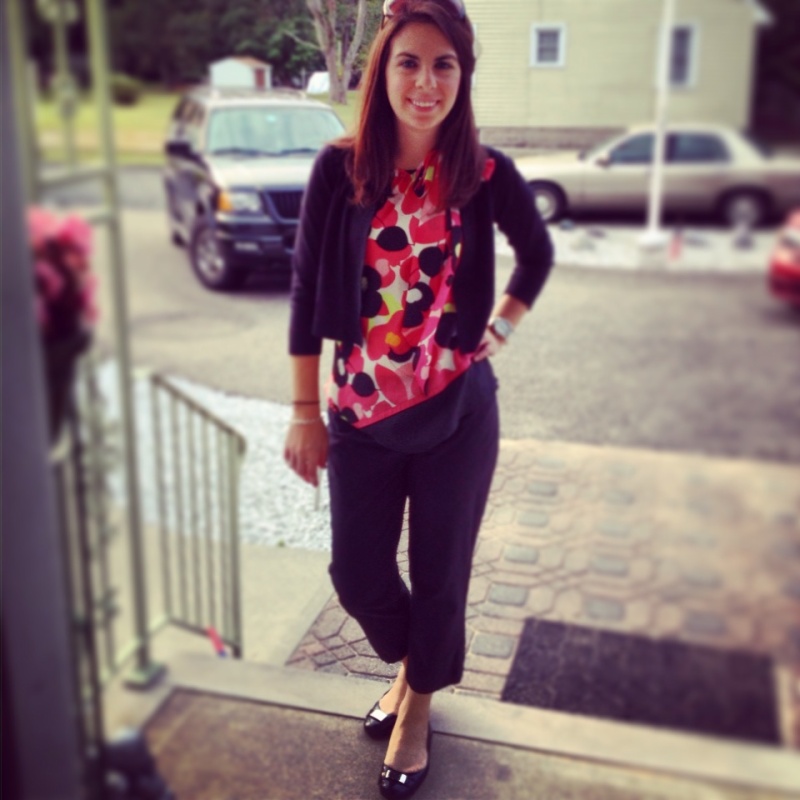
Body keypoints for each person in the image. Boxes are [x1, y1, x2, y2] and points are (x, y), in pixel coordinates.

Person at [284, 0, 552, 796]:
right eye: (409, 62)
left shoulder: (486, 174)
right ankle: (415, 665)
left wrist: (500, 328)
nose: (426, 82)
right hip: (358, 415)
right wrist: (304, 413)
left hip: (457, 416)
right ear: (383, 70)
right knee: (357, 574)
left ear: (463, 75)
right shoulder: (339, 170)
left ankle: (418, 708)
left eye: (444, 64)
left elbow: (535, 253)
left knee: (440, 576)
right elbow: (305, 294)